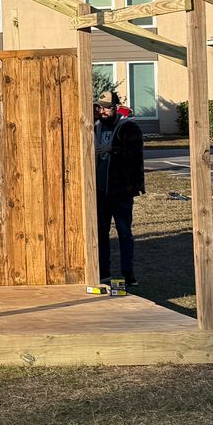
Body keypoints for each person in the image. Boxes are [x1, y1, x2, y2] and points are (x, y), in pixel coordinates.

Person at [95, 90, 145, 286]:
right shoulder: (95, 127)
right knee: (101, 233)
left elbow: (134, 155)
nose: (103, 111)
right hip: (100, 191)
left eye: (107, 108)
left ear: (115, 108)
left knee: (124, 233)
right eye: (100, 107)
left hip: (121, 190)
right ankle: (104, 272)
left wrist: (112, 150)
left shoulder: (129, 128)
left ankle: (128, 273)